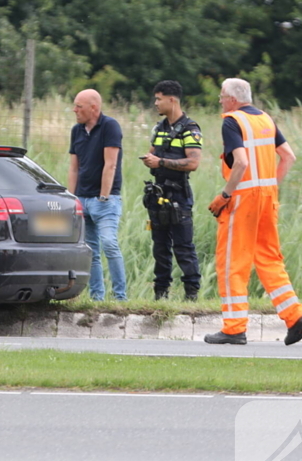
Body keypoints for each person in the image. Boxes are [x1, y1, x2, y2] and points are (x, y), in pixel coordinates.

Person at [204, 78, 302, 345]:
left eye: (221, 96)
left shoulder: (232, 121)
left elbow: (240, 162)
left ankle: (234, 328)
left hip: (242, 200)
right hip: (267, 198)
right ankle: (294, 315)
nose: (220, 101)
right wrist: (270, 185)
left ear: (232, 98)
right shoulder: (265, 119)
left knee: (231, 263)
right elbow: (288, 157)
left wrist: (225, 195)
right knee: (269, 258)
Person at [138, 80, 202, 301]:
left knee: (184, 246)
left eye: (158, 98)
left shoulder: (190, 129)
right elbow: (153, 152)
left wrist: (161, 162)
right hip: (158, 195)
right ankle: (161, 294)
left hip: (179, 197)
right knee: (160, 247)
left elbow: (193, 163)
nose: (155, 103)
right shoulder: (159, 128)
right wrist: (150, 160)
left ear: (171, 99)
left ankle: (191, 295)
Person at [68, 88, 127, 301]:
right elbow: (74, 167)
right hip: (82, 198)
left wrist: (104, 196)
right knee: (90, 251)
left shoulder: (110, 126)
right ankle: (97, 298)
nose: (75, 110)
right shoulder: (77, 130)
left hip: (104, 201)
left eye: (79, 106)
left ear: (94, 108)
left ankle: (120, 297)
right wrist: (72, 198)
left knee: (110, 244)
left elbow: (110, 164)